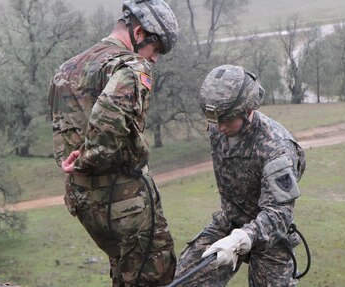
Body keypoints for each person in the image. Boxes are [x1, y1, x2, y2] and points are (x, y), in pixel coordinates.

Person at [47, 1, 179, 286]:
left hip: (82, 197)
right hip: (124, 200)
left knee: (122, 268)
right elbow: (110, 121)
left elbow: (61, 129)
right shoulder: (132, 66)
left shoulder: (68, 67)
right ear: (140, 32)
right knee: (154, 273)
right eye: (156, 50)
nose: (154, 59)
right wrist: (89, 157)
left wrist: (75, 165)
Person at [173, 65, 306, 287]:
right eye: (216, 120)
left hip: (269, 235)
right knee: (182, 282)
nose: (220, 127)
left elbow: (279, 214)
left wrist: (241, 239)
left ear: (247, 111)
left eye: (226, 119)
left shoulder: (276, 148)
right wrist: (232, 235)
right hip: (229, 223)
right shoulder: (219, 128)